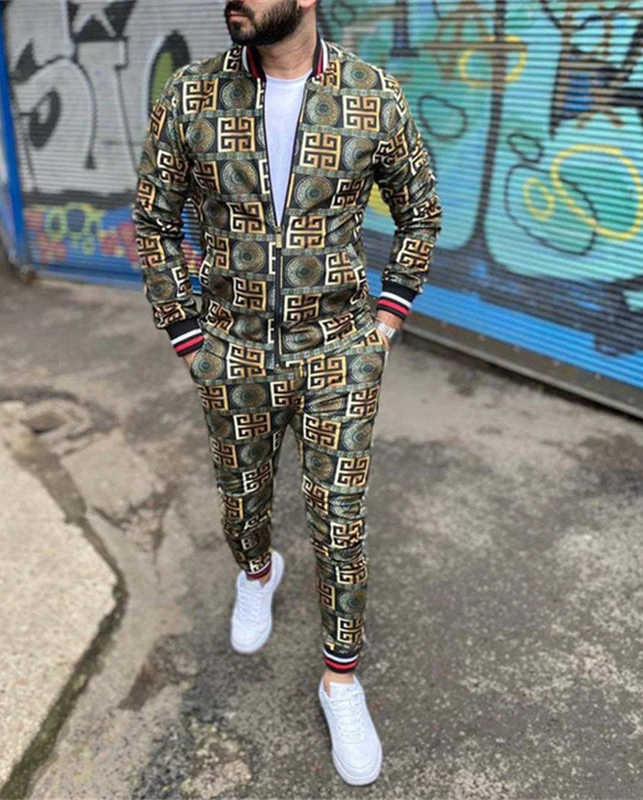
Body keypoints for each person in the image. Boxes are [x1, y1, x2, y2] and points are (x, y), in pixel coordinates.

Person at [132, 0, 441, 785]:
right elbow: (154, 223)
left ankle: (341, 680)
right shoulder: (192, 96)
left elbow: (420, 214)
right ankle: (256, 570)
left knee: (340, 521)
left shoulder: (372, 95)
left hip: (339, 350)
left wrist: (385, 323)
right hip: (232, 350)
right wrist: (189, 336)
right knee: (242, 505)